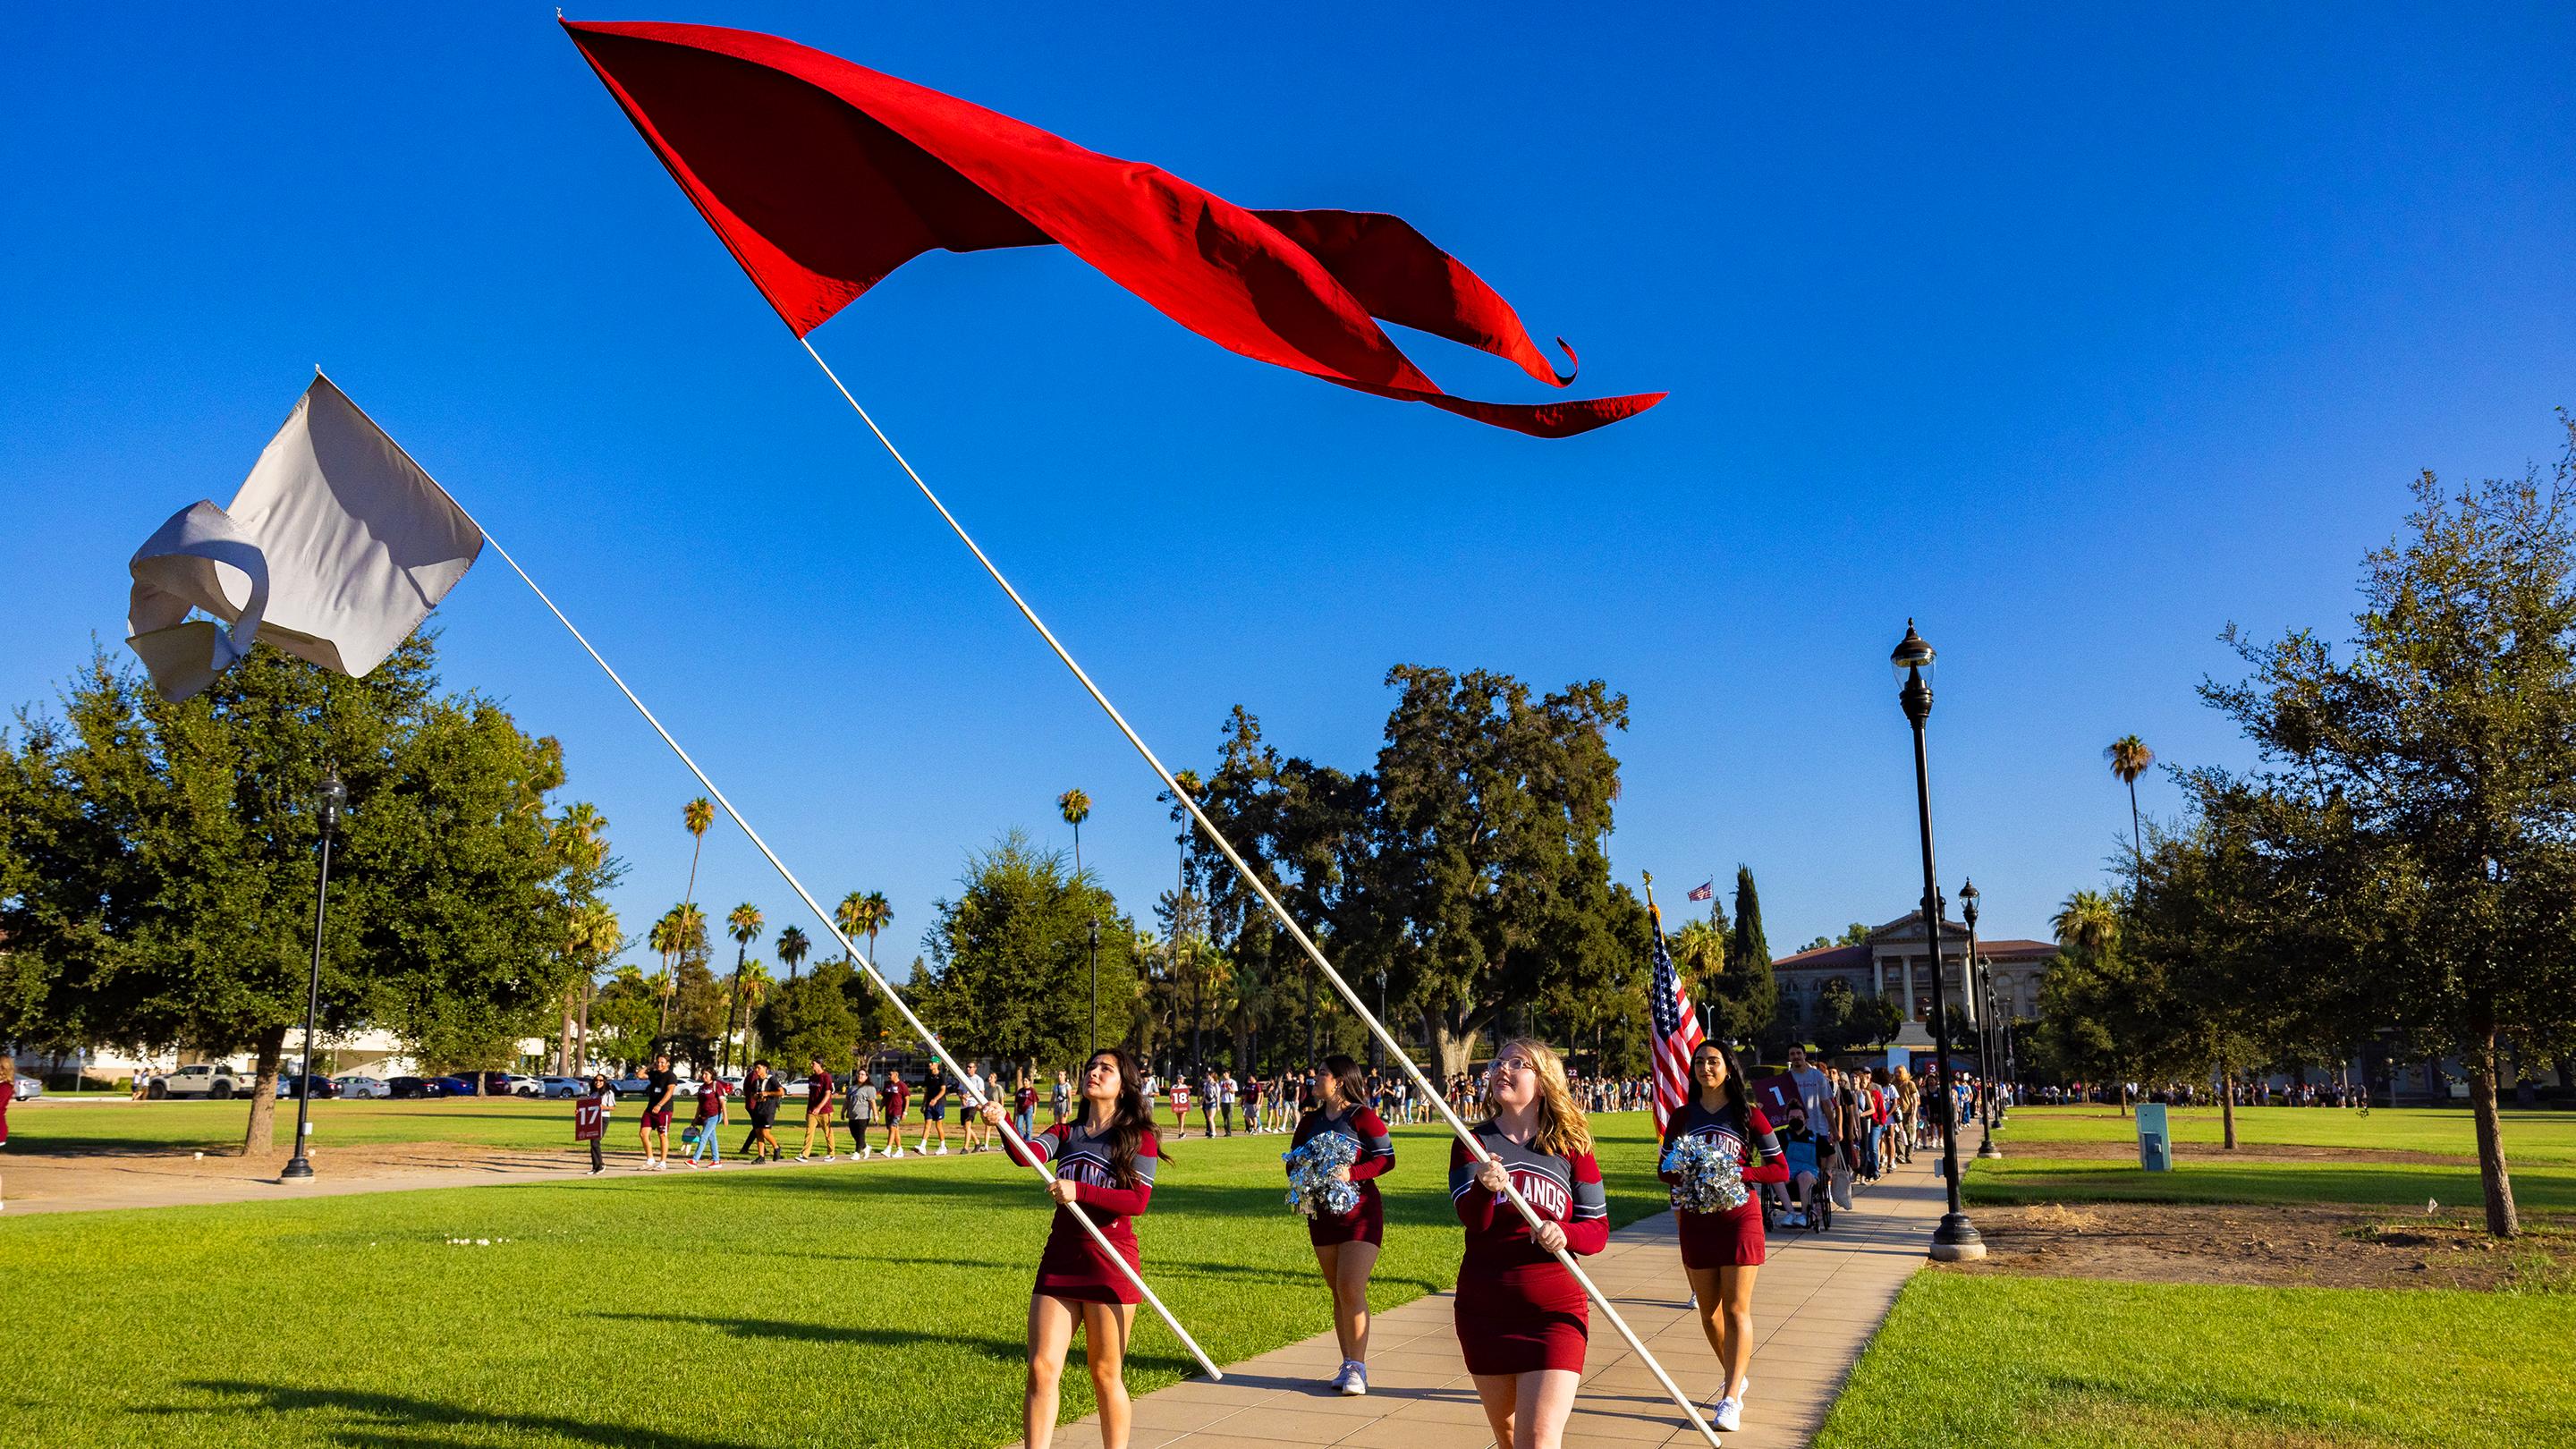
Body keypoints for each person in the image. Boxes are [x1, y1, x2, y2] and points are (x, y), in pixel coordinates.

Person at [979, 1047, 1162, 1449]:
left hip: (1110, 1263)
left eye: (1106, 1069)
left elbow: (1137, 1202)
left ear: (1124, 1084)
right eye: (1092, 1067)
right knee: (1042, 1368)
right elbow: (1026, 1156)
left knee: (1104, 1372)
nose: (1094, 1072)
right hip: (1060, 1260)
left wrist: (1079, 1190)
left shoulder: (1138, 1137)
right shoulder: (1066, 1133)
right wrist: (1002, 1122)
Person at [1451, 1038, 1608, 1449]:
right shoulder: (1471, 1142)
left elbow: (1597, 1230)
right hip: (1484, 1313)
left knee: (1537, 1441)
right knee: (1509, 1440)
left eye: (1517, 1063)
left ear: (1542, 1082)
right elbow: (1473, 1220)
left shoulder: (1573, 1147)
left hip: (1553, 1315)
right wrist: (1484, 1188)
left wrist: (1565, 1233)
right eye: (1499, 1061)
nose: (1502, 1068)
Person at [1660, 1040, 1789, 1433]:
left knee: (1736, 1309)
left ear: (1728, 1068)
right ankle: (1737, 1371)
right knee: (1709, 1314)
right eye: (1698, 1062)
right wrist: (1692, 1169)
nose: (1705, 1068)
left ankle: (1731, 1398)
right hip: (1697, 1220)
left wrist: (1737, 1174)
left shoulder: (1748, 1116)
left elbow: (1779, 1169)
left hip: (1739, 1219)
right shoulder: (1682, 1117)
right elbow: (1664, 1171)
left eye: (1712, 1062)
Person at [1291, 1054, 1396, 1394]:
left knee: (1351, 1287)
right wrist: (1304, 1176)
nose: (1315, 1079)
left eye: (1322, 1074)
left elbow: (1386, 1159)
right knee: (1337, 1290)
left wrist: (1351, 1172)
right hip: (1321, 1215)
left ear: (1339, 1080)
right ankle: (1348, 1362)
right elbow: (1293, 1162)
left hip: (1360, 1216)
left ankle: (1359, 1368)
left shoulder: (1362, 1117)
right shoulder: (1309, 1121)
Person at [1777, 1108, 1824, 1226]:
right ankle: (1790, 1213)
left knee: (1805, 1176)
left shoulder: (1815, 1137)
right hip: (1788, 1170)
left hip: (1809, 1172)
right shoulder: (1781, 1135)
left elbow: (1831, 1154)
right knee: (1777, 1177)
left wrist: (1827, 1168)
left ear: (1805, 1120)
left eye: (1799, 1117)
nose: (1796, 1120)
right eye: (1792, 1117)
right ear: (1787, 1119)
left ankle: (1804, 1214)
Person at [639, 1053, 680, 1170]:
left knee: (662, 1135)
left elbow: (669, 1092)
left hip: (664, 1110)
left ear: (668, 1063)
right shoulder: (654, 1073)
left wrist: (659, 1105)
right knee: (643, 1133)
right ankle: (650, 1159)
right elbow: (640, 1074)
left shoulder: (671, 1076)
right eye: (658, 1062)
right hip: (650, 1108)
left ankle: (662, 1162)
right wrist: (651, 1066)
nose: (660, 1064)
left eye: (662, 1062)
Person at [798, 1057, 839, 1162]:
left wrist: (819, 1107)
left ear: (819, 1064)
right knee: (809, 1132)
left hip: (825, 1110)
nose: (812, 1065)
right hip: (811, 1110)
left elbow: (827, 1094)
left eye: (813, 1063)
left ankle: (831, 1153)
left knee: (828, 1132)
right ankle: (804, 1155)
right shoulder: (811, 1078)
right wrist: (811, 1109)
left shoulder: (826, 1077)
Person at [685, 1074, 726, 1168]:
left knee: (703, 1136)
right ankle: (716, 1161)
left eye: (707, 1074)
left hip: (714, 1115)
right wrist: (696, 1118)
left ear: (712, 1075)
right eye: (703, 1074)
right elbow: (700, 1104)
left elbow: (722, 1102)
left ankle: (695, 1160)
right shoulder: (702, 1087)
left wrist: (726, 1117)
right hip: (704, 1116)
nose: (704, 1076)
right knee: (712, 1138)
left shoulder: (716, 1085)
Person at [580, 1072, 614, 1174]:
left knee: (596, 1141)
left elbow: (613, 1107)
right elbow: (588, 1107)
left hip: (603, 1118)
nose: (598, 1082)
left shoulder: (608, 1093)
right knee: (592, 1142)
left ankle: (601, 1165)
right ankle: (595, 1166)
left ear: (604, 1082)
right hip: (593, 1119)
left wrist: (604, 1107)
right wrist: (579, 1111)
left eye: (600, 1080)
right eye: (596, 1080)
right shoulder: (593, 1094)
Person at [919, 1063, 953, 1155]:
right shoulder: (928, 1076)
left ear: (937, 1064)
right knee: (927, 1125)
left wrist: (935, 1099)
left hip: (939, 1104)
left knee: (938, 1126)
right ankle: (922, 1146)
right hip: (929, 1104)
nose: (929, 1064)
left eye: (932, 1063)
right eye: (929, 1062)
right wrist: (923, 1104)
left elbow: (943, 1090)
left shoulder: (941, 1076)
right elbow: (926, 1091)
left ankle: (943, 1147)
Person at [849, 1068, 880, 1157]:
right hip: (852, 1114)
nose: (860, 1076)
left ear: (866, 1077)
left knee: (860, 1133)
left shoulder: (869, 1088)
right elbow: (847, 1101)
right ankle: (866, 1147)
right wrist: (843, 1111)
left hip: (863, 1114)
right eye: (859, 1074)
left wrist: (875, 1115)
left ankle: (857, 1153)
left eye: (863, 1074)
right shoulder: (852, 1087)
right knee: (854, 1133)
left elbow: (872, 1102)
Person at [962, 1059, 992, 1153]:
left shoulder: (978, 1079)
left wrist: (970, 1096)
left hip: (973, 1104)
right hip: (964, 1104)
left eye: (970, 1067)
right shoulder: (963, 1078)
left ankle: (965, 1148)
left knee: (967, 1125)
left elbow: (981, 1093)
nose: (968, 1068)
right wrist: (962, 1097)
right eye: (967, 1067)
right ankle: (977, 1142)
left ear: (975, 1068)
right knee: (965, 1126)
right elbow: (960, 1090)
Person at [884, 1070, 911, 1157]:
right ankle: (900, 1150)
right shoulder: (887, 1084)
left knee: (892, 1128)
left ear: (896, 1074)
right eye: (888, 1074)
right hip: (888, 1110)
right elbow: (884, 1099)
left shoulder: (902, 1085)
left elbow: (907, 1099)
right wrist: (879, 1110)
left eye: (890, 1074)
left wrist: (905, 1112)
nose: (889, 1076)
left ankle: (888, 1148)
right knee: (895, 1131)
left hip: (897, 1111)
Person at [1014, 1072, 1039, 1142]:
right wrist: (1016, 1111)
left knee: (1028, 1128)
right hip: (1020, 1110)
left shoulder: (1032, 1090)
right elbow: (1016, 1102)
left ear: (1029, 1082)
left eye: (1026, 1081)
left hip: (1029, 1109)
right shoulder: (1020, 1091)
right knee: (1018, 1126)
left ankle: (1028, 1141)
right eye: (1023, 1081)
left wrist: (1034, 1112)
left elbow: (1035, 1102)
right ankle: (1023, 1139)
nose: (1024, 1082)